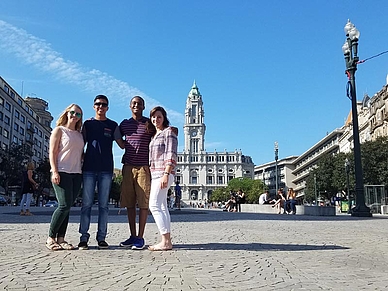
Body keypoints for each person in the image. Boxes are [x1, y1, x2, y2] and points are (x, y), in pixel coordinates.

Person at [78, 95, 124, 250]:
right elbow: (80, 143)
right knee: (86, 205)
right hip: (89, 169)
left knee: (104, 206)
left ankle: (101, 238)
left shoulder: (112, 125)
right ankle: (83, 238)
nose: (101, 106)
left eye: (104, 104)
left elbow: (122, 144)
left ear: (107, 108)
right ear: (93, 106)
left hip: (106, 169)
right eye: (98, 104)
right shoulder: (88, 124)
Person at [46, 104, 84, 251]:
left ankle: (61, 238)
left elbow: (80, 154)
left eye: (78, 114)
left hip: (76, 173)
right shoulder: (59, 130)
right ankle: (50, 237)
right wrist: (54, 171)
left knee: (68, 207)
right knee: (63, 205)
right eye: (73, 112)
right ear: (67, 113)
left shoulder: (80, 134)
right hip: (61, 171)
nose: (75, 116)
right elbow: (53, 152)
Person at [118, 96, 153, 250]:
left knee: (143, 204)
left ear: (143, 107)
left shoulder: (148, 123)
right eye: (134, 103)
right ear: (130, 106)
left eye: (139, 103)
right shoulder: (124, 124)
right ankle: (132, 235)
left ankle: (140, 237)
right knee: (129, 203)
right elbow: (117, 137)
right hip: (128, 166)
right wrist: (124, 145)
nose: (136, 105)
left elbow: (161, 133)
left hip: (144, 167)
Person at [147, 106, 178, 251]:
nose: (156, 119)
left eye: (159, 117)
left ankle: (165, 240)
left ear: (164, 118)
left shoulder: (168, 132)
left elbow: (171, 154)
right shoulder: (155, 135)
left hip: (163, 173)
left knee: (153, 205)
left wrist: (166, 173)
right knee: (162, 207)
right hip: (156, 174)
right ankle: (167, 240)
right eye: (153, 117)